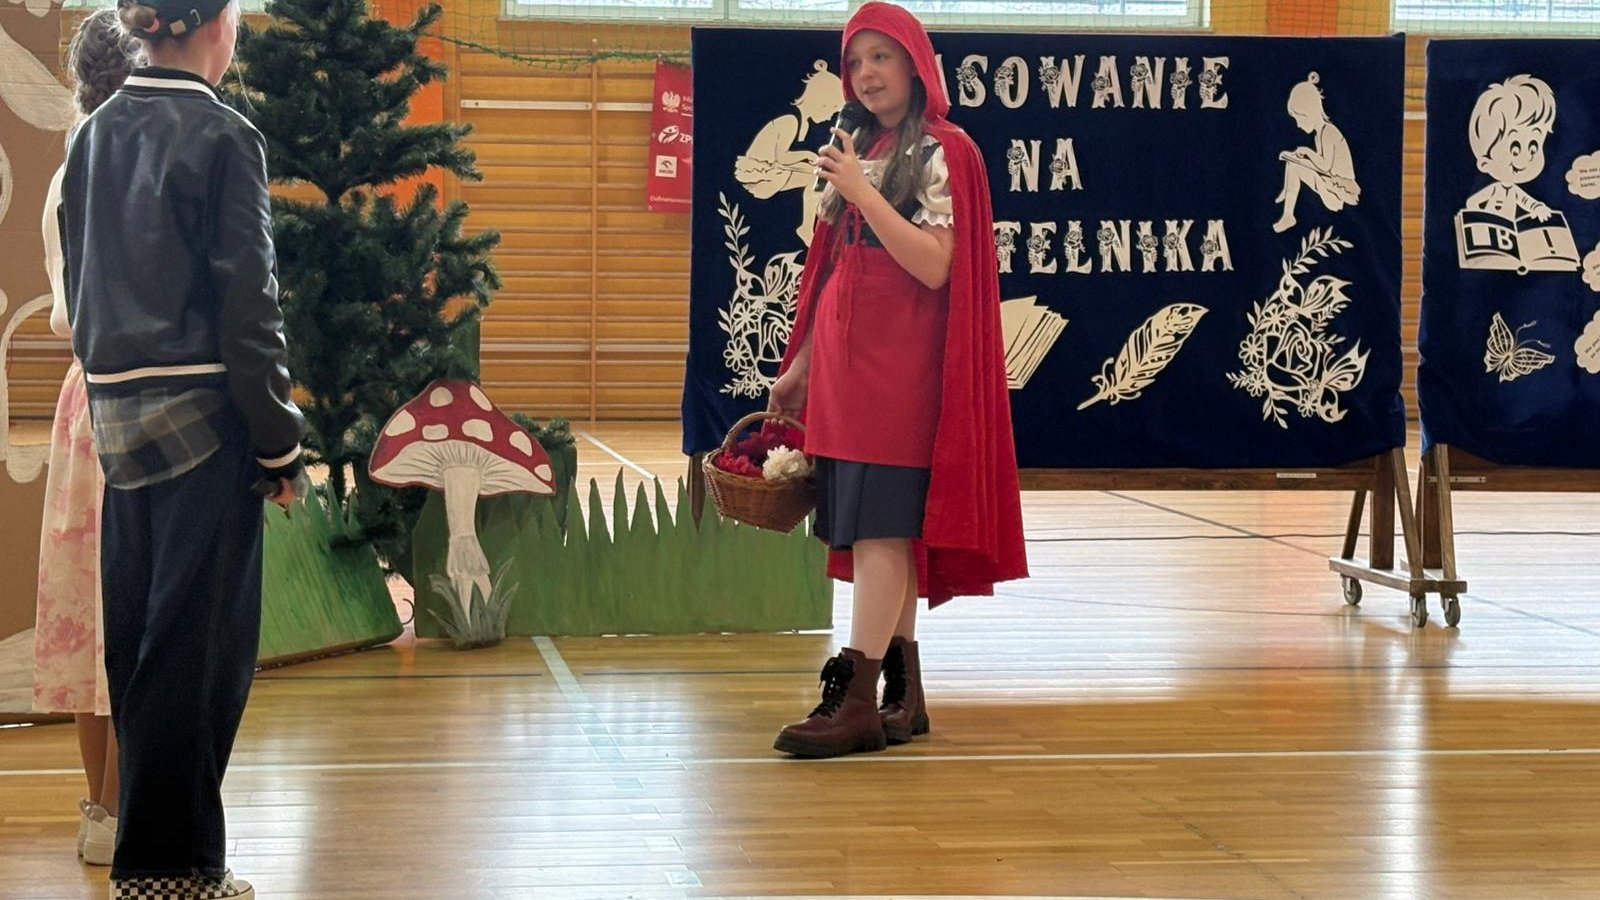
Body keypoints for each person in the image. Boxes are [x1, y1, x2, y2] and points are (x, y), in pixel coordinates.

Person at [58, 0, 307, 894]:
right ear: (214, 26)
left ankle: (154, 864)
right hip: (207, 422)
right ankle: (176, 874)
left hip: (117, 421)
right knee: (198, 659)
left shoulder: (92, 136)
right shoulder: (225, 136)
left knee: (137, 644)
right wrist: (279, 445)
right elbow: (251, 308)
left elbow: (81, 287)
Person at [767, 0, 1027, 760]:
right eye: (855, 60)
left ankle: (852, 700)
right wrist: (800, 368)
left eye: (881, 56)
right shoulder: (861, 148)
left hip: (900, 369)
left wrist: (862, 189)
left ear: (916, 65)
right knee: (881, 532)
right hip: (846, 370)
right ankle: (902, 696)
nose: (866, 73)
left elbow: (935, 265)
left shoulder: (946, 150)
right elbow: (837, 266)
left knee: (881, 529)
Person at [32, 7, 141, 868]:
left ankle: (100, 811)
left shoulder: (67, 171)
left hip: (81, 398)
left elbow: (67, 310)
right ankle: (125, 808)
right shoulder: (129, 160)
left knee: (85, 607)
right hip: (134, 397)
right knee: (131, 608)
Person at [1273, 72, 1360, 234]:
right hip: (1330, 184)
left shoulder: (1328, 132)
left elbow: (1325, 167)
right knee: (1293, 164)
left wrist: (1306, 153)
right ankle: (1288, 202)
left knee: (1295, 166)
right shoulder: (1319, 134)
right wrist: (1298, 159)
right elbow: (1322, 167)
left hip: (1339, 192)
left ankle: (1288, 210)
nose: (1298, 125)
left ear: (1309, 113)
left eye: (1299, 119)